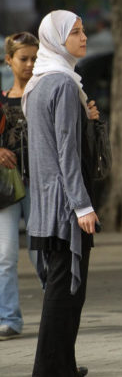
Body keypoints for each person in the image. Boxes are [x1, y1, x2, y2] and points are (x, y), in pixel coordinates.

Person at [22, 10, 100, 377]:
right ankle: (49, 369)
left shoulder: (38, 83)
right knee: (64, 290)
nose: (83, 38)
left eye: (83, 31)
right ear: (56, 40)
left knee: (66, 289)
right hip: (65, 205)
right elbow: (67, 150)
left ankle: (62, 365)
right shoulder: (65, 85)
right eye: (75, 32)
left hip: (44, 200)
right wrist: (82, 205)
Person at [0, 32, 39, 342]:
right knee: (5, 256)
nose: (29, 64)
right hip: (8, 188)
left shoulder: (43, 94)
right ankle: (9, 318)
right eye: (23, 58)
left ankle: (59, 314)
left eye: (34, 58)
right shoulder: (1, 100)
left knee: (44, 255)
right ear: (8, 60)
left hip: (41, 185)